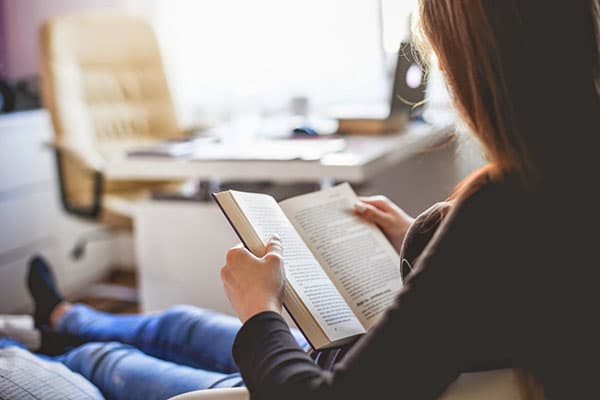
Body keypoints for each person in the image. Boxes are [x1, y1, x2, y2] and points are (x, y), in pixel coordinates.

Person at [219, 1, 600, 400]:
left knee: (158, 343)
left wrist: (259, 309)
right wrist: (430, 246)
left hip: (320, 379)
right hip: (353, 359)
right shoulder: (567, 174)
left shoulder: (501, 208)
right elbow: (504, 295)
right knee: (173, 326)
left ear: (470, 64)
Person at [0, 257, 308, 400]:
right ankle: (63, 318)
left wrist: (262, 309)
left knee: (105, 362)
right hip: (327, 357)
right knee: (183, 324)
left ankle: (43, 347)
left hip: (296, 391)